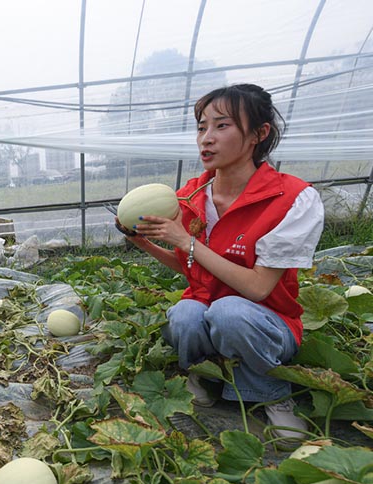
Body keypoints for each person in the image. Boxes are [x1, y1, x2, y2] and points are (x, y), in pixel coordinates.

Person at [118, 84, 324, 441]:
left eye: (221, 126)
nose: (206, 139)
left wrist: (186, 240)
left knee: (229, 311)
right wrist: (143, 242)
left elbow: (259, 288)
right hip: (211, 316)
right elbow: (192, 268)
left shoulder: (292, 199)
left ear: (260, 134)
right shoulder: (188, 196)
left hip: (268, 322)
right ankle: (208, 372)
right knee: (184, 314)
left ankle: (272, 393)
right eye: (201, 127)